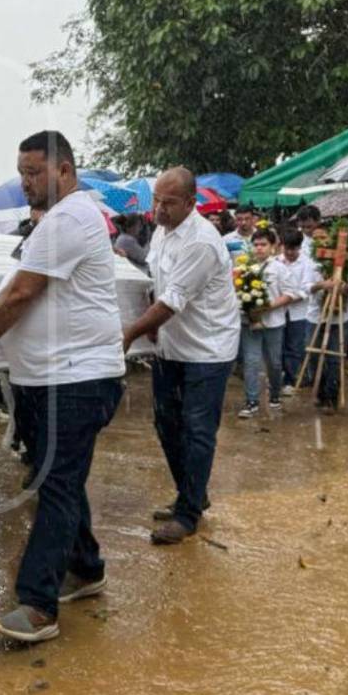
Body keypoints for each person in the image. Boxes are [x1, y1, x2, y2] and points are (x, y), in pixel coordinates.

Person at [0, 130, 125, 645]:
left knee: (56, 482)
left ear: (63, 170)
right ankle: (87, 569)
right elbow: (22, 295)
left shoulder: (68, 219)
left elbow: (22, 293)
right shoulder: (57, 221)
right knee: (57, 479)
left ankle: (38, 603)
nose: (25, 183)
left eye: (34, 173)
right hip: (53, 376)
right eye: (22, 172)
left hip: (76, 378)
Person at [122, 167, 239, 545]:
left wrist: (131, 333)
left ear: (191, 203)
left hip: (208, 349)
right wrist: (150, 323)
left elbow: (173, 300)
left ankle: (188, 514)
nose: (159, 209)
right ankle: (192, 493)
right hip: (172, 346)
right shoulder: (160, 232)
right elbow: (160, 286)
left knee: (198, 430)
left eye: (169, 203)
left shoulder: (201, 242)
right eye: (156, 200)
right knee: (166, 423)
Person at [238, 228, 300, 418]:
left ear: (273, 247)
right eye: (256, 245)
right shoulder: (245, 267)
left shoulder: (280, 268)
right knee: (251, 361)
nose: (259, 248)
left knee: (273, 362)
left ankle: (274, 394)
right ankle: (251, 401)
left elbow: (291, 293)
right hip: (249, 322)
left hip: (273, 322)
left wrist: (268, 306)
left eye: (263, 244)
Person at [305, 239, 348, 413]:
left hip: (339, 317)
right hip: (316, 315)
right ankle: (320, 393)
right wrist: (323, 285)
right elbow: (306, 287)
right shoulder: (312, 263)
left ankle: (332, 396)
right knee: (313, 357)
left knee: (334, 358)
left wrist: (346, 288)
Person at [275, 228, 318, 394]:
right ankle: (278, 377)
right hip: (279, 310)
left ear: (299, 247)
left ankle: (291, 380)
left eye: (294, 249)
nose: (290, 253)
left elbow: (306, 289)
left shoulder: (308, 263)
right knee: (278, 346)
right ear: (282, 246)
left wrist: (289, 298)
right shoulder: (276, 262)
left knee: (294, 346)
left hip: (299, 312)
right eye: (287, 249)